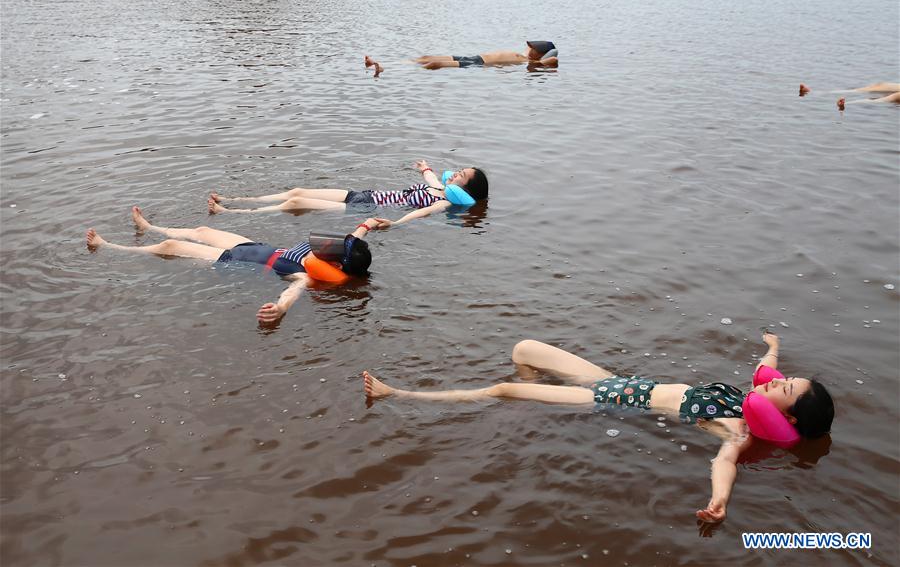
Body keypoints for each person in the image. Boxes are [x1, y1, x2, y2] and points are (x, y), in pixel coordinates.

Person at [362, 331, 834, 524]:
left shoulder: (740, 432)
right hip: (618, 382)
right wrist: (773, 346)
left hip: (604, 401)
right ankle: (532, 411)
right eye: (786, 380)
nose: (779, 381)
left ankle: (398, 395)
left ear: (787, 418)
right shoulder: (752, 394)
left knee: (502, 389)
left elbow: (725, 464)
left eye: (786, 387)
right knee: (524, 349)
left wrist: (720, 501)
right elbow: (766, 366)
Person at [86, 206, 380, 324]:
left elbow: (293, 292)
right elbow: (354, 240)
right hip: (252, 246)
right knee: (201, 230)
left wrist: (280, 309)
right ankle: (150, 227)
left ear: (339, 266)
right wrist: (366, 224)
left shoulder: (308, 276)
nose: (330, 245)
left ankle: (109, 246)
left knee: (170, 248)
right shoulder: (340, 256)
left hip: (233, 261)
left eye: (337, 249)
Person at [209, 160, 489, 229]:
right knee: (298, 191)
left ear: (464, 191)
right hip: (362, 195)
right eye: (458, 171)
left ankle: (233, 213)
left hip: (363, 209)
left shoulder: (442, 201)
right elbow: (429, 176)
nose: (454, 175)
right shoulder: (440, 187)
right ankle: (236, 199)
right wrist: (424, 168)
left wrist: (396, 223)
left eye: (460, 177)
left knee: (296, 203)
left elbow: (421, 212)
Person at [364, 40, 559, 74]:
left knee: (435, 64)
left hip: (477, 64)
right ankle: (382, 63)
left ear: (541, 53)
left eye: (535, 48)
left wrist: (548, 55)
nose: (530, 49)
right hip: (475, 56)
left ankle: (386, 69)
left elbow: (553, 60)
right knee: (425, 57)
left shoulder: (535, 61)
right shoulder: (526, 56)